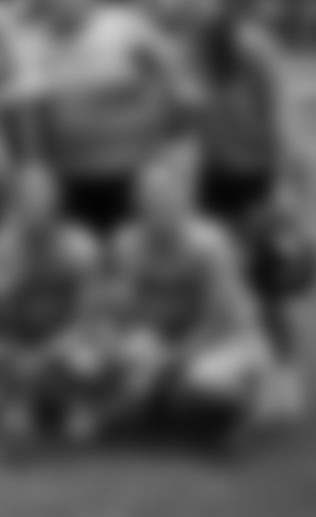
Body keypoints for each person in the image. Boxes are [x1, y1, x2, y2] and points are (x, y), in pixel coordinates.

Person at [142, 0, 316, 421]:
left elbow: (283, 114)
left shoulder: (250, 44)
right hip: (212, 182)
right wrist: (160, 89)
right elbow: (176, 121)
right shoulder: (183, 52)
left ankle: (288, 380)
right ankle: (234, 376)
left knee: (267, 286)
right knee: (221, 285)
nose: (190, 3)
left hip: (258, 178)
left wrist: (286, 188)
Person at [1, 0, 200, 241]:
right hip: (67, 179)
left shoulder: (128, 30)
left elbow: (183, 89)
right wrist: (32, 169)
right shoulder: (30, 44)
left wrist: (173, 154)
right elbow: (26, 119)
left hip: (135, 177)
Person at [109, 153, 275, 452]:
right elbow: (127, 314)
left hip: (227, 339)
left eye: (165, 199)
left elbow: (218, 321)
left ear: (184, 202)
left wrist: (169, 362)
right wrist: (141, 353)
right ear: (137, 206)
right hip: (170, 338)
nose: (157, 208)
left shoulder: (210, 244)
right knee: (126, 359)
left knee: (203, 381)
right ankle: (166, 411)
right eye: (149, 200)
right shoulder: (126, 244)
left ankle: (241, 411)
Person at [0, 169, 113, 451]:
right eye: (27, 201)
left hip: (68, 344)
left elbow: (89, 320)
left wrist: (45, 354)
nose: (35, 208)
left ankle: (80, 405)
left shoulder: (81, 246)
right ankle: (18, 408)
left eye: (42, 200)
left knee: (89, 359)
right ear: (15, 205)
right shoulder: (2, 246)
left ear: (56, 204)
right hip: (21, 343)